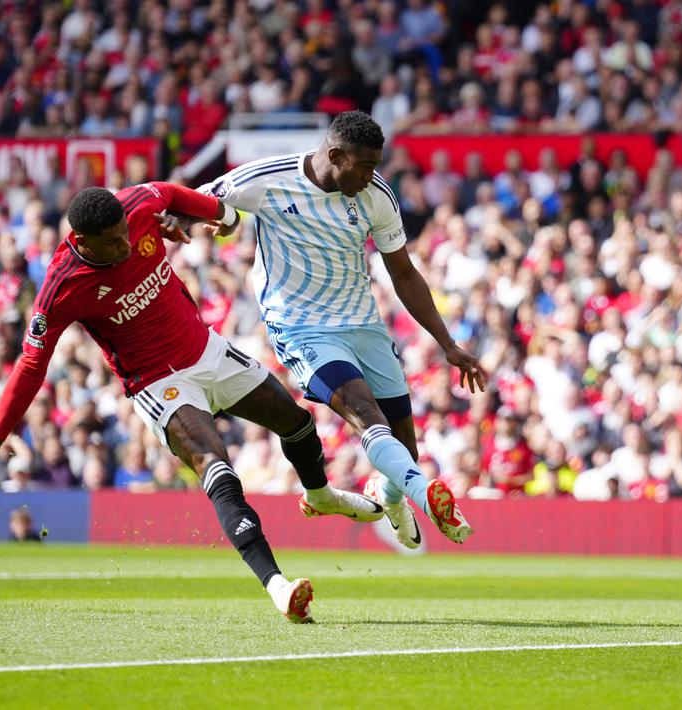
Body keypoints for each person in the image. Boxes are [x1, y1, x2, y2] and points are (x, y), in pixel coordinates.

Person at [0, 185, 386, 624]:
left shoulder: (137, 205)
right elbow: (30, 367)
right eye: (112, 242)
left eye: (125, 233)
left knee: (297, 422)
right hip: (158, 382)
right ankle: (278, 586)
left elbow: (174, 195)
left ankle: (320, 494)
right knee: (217, 465)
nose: (124, 244)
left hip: (206, 350)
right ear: (80, 241)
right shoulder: (60, 288)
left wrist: (213, 215)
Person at [201, 111, 486, 549]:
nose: (372, 175)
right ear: (334, 155)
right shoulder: (268, 179)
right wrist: (195, 222)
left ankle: (390, 498)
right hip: (302, 329)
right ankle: (427, 496)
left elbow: (405, 274)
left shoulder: (376, 195)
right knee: (365, 413)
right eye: (366, 165)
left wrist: (446, 343)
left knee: (402, 445)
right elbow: (200, 201)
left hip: (363, 324)